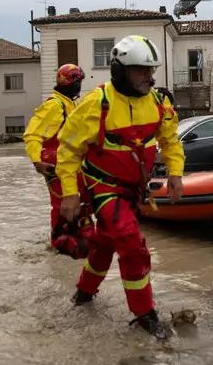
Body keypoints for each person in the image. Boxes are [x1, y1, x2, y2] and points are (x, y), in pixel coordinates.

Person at [56, 35, 184, 339]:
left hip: (133, 191)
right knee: (131, 243)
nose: (150, 77)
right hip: (103, 188)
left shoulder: (158, 103)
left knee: (104, 244)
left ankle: (83, 295)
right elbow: (68, 151)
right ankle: (144, 314)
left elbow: (170, 141)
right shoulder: (96, 104)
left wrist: (176, 174)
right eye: (141, 70)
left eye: (152, 70)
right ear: (119, 70)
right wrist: (70, 193)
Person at [23, 63, 87, 253]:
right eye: (78, 81)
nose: (80, 85)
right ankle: (59, 245)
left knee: (75, 202)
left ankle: (72, 240)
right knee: (62, 204)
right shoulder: (54, 105)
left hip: (68, 163)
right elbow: (32, 134)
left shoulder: (69, 104)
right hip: (56, 164)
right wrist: (37, 161)